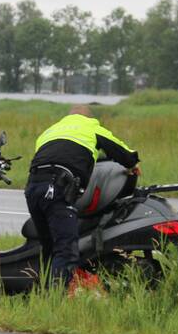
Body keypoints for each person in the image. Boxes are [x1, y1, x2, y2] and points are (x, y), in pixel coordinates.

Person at [25, 105, 139, 284]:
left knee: (49, 247)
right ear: (89, 117)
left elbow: (55, 156)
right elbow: (123, 152)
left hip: (33, 187)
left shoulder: (50, 132)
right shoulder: (91, 127)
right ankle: (56, 298)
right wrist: (132, 164)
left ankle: (43, 292)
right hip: (58, 188)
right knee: (66, 249)